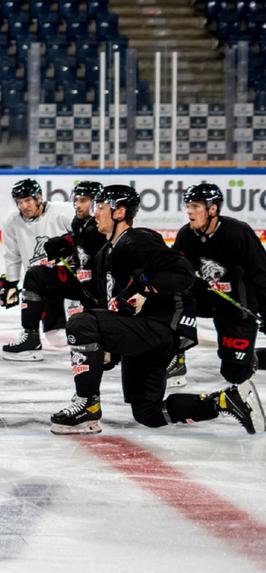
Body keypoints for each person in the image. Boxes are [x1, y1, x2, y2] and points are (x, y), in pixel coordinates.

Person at [51, 185, 257, 435]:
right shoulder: (106, 252)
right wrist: (62, 262)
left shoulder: (138, 239)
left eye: (101, 208)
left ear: (119, 213)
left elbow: (181, 272)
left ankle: (87, 405)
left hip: (156, 329)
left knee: (79, 323)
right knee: (148, 413)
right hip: (141, 334)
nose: (95, 214)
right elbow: (98, 300)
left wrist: (143, 290)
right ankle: (224, 401)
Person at [171, 182, 265, 414]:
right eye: (188, 206)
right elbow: (174, 270)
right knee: (168, 302)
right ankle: (175, 358)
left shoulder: (237, 232)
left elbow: (261, 274)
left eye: (195, 206)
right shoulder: (186, 234)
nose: (189, 211)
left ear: (213, 210)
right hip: (206, 300)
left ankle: (252, 355)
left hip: (237, 307)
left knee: (234, 373)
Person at [0, 178, 81, 360]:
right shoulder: (12, 221)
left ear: (39, 198)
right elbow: (12, 255)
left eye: (28, 200)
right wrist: (10, 282)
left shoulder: (64, 212)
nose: (24, 206)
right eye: (19, 202)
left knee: (34, 275)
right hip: (44, 282)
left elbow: (87, 239)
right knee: (56, 337)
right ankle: (35, 340)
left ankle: (32, 340)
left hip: (73, 276)